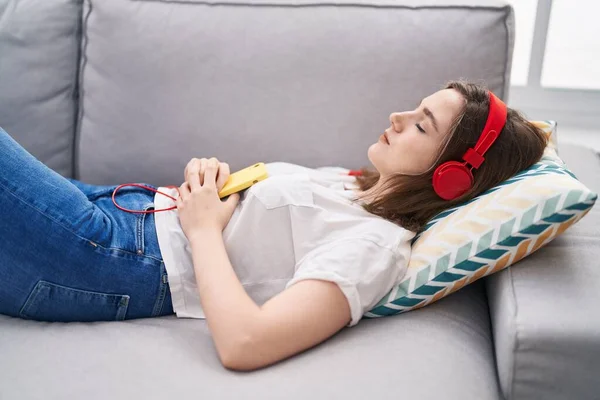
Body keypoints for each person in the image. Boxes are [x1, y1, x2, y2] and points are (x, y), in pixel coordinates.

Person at [0, 79, 547, 371]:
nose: (397, 118)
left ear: (450, 178)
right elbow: (248, 220)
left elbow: (246, 343)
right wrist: (208, 184)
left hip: (112, 258)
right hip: (124, 208)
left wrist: (203, 228)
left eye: (421, 125)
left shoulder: (375, 247)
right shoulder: (351, 185)